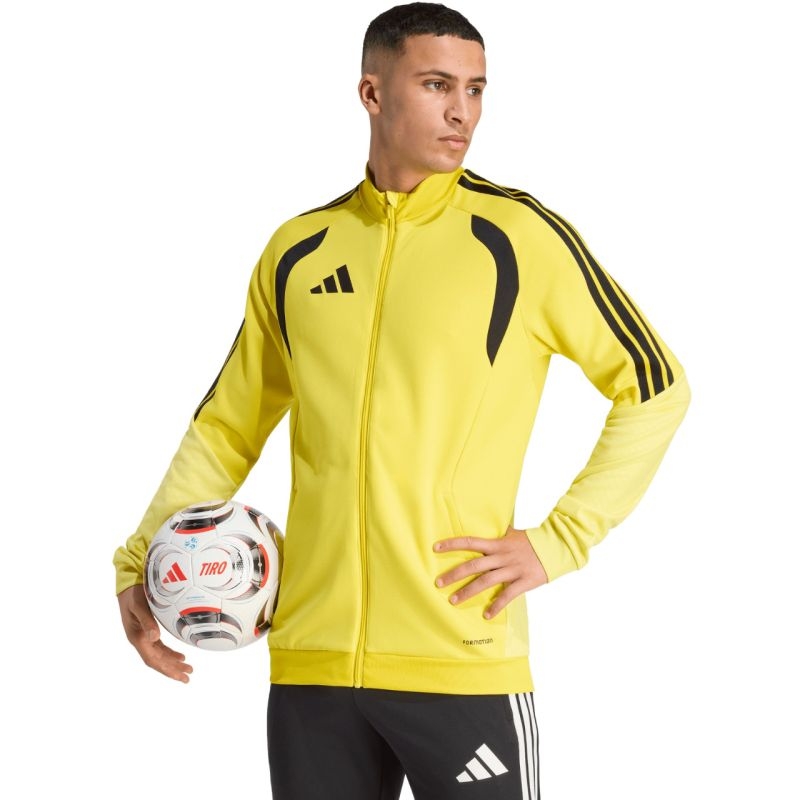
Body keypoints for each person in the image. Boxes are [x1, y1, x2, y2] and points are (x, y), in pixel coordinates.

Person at [114, 3, 690, 798]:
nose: (463, 112)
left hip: (459, 657)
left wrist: (559, 541)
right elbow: (227, 426)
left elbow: (655, 387)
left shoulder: (517, 237)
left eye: (476, 89)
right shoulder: (298, 251)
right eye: (437, 85)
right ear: (372, 92)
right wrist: (140, 562)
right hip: (313, 662)